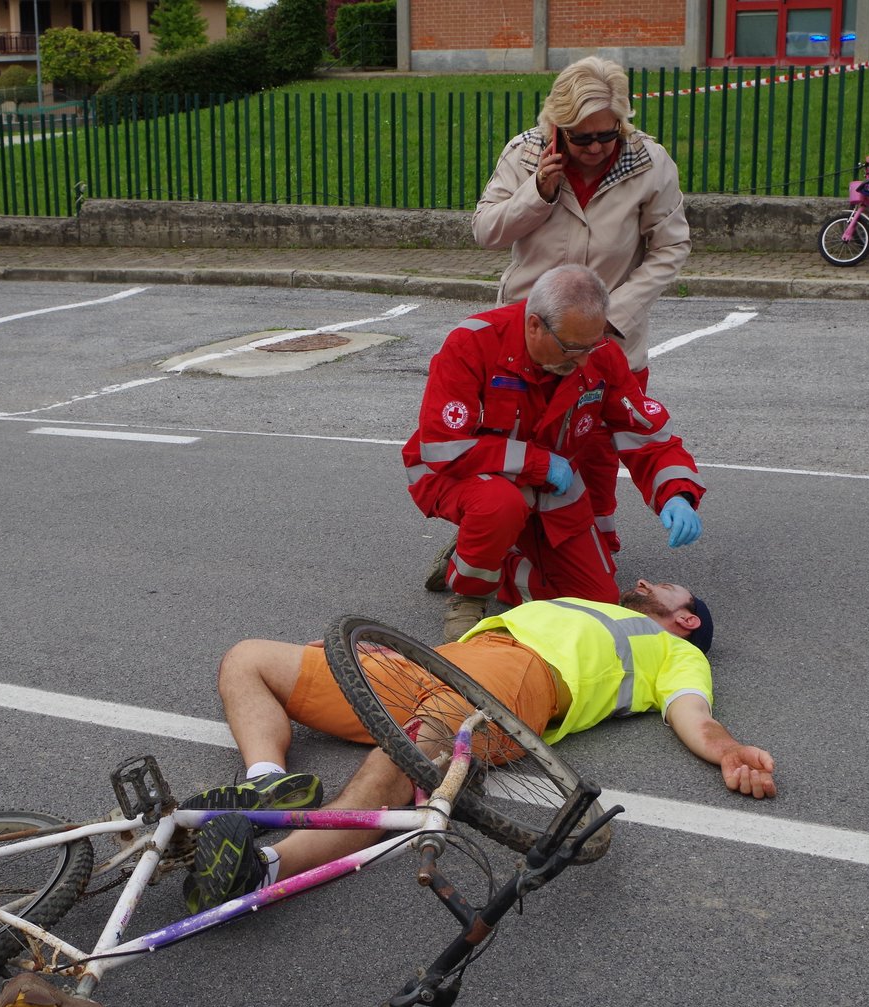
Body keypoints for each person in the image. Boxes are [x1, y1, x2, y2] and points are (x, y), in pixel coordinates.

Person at [179, 580, 776, 914]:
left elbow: (692, 714)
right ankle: (267, 778)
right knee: (249, 658)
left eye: (669, 587)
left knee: (404, 752)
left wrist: (726, 750)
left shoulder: (678, 652)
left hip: (520, 682)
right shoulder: (581, 602)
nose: (645, 582)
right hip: (430, 663)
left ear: (688, 619)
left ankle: (266, 869)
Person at [405, 264, 705, 641]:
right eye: (571, 348)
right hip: (459, 476)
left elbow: (646, 436)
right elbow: (443, 446)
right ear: (534, 325)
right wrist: (538, 462)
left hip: (547, 488)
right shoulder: (473, 343)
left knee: (597, 601)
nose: (582, 361)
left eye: (590, 346)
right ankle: (469, 595)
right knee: (500, 504)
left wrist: (676, 494)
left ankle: (486, 559)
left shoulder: (599, 355)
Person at [472, 56, 691, 389]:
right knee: (519, 441)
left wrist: (612, 315)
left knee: (612, 440)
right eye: (582, 138)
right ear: (557, 128)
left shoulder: (650, 162)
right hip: (531, 342)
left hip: (610, 344)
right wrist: (537, 192)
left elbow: (671, 247)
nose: (597, 147)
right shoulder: (525, 154)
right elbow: (486, 232)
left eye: (607, 134)